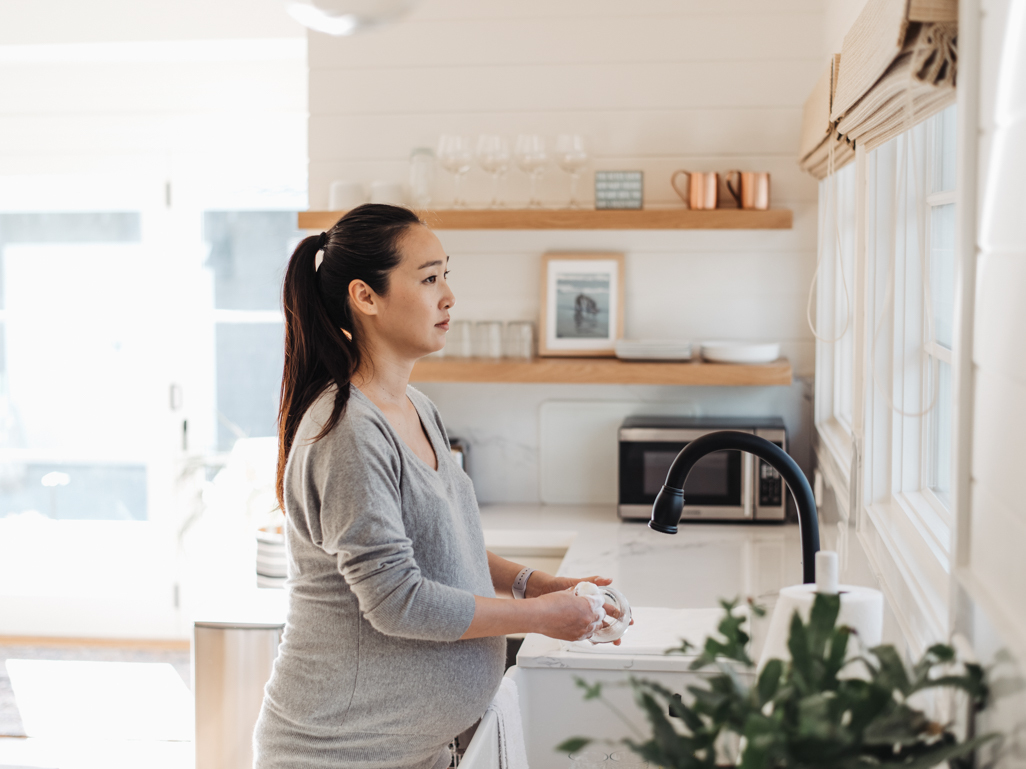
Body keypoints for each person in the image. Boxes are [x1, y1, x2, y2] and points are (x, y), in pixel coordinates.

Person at [253, 204, 622, 769]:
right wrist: (544, 615)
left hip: (409, 749)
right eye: (429, 279)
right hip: (343, 755)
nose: (448, 296)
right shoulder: (348, 433)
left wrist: (537, 583)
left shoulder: (417, 408)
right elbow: (398, 602)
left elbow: (445, 542)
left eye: (447, 275)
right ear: (366, 296)